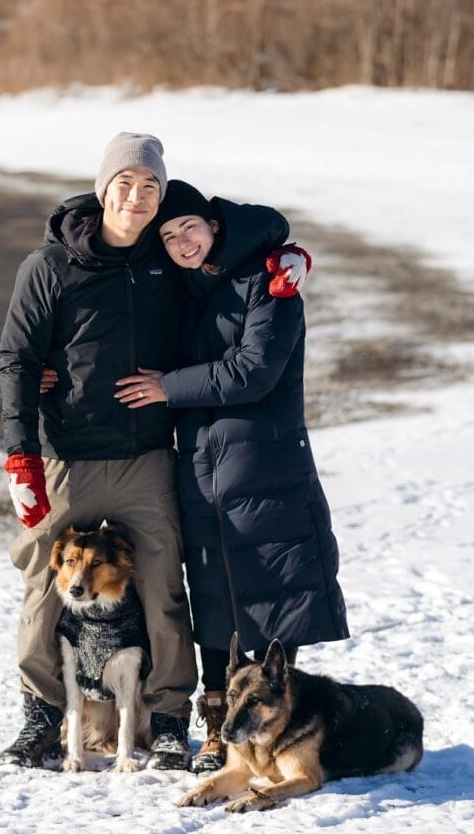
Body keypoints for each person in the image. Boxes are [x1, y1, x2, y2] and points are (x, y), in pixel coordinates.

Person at [115, 180, 349, 773]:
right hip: (201, 465)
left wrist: (168, 387)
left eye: (189, 227)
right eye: (169, 235)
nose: (181, 242)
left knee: (272, 595)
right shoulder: (186, 289)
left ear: (215, 225)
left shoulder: (269, 282)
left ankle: (276, 728)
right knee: (215, 598)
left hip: (264, 462)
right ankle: (219, 727)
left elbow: (255, 370)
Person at [0, 133, 199, 771]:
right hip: (69, 459)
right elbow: (17, 359)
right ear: (103, 188)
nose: (137, 198)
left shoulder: (168, 257)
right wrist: (21, 456)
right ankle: (41, 717)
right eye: (125, 184)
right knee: (44, 583)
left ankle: (169, 720)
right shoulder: (49, 267)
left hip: (147, 458)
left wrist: (289, 253)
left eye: (150, 187)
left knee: (164, 589)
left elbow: (238, 232)